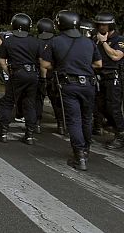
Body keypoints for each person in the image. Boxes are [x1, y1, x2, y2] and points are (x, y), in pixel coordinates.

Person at [40, 10, 102, 170]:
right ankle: (86, 150)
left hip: (69, 84)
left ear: (60, 24)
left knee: (74, 119)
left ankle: (79, 155)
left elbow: (45, 64)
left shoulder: (55, 41)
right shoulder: (89, 42)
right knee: (87, 118)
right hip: (89, 84)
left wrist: (62, 67)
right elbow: (98, 64)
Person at [0, 13, 41, 144]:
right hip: (32, 74)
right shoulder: (35, 41)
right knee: (30, 103)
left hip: (17, 73)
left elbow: (2, 61)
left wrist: (9, 74)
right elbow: (41, 61)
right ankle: (29, 135)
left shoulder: (8, 41)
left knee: (8, 102)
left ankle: (3, 133)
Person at [92, 13, 124, 149]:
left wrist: (104, 42)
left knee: (114, 107)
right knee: (101, 106)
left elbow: (116, 56)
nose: (101, 27)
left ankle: (121, 135)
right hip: (100, 77)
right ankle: (113, 128)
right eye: (99, 24)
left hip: (113, 77)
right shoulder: (95, 39)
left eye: (104, 24)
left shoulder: (118, 39)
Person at [36, 18, 64, 135]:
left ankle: (36, 123)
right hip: (54, 76)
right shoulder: (56, 41)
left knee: (38, 100)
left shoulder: (36, 41)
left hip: (39, 76)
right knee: (56, 101)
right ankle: (61, 124)